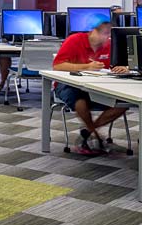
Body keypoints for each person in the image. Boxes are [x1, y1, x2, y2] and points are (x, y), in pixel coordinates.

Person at [52, 20, 129, 155]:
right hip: (69, 84)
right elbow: (58, 66)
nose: (107, 38)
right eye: (105, 34)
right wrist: (87, 67)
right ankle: (95, 135)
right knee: (80, 101)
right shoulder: (75, 40)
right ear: (94, 31)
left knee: (123, 103)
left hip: (98, 85)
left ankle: (88, 132)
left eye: (109, 35)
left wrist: (125, 67)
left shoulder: (110, 45)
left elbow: (121, 64)